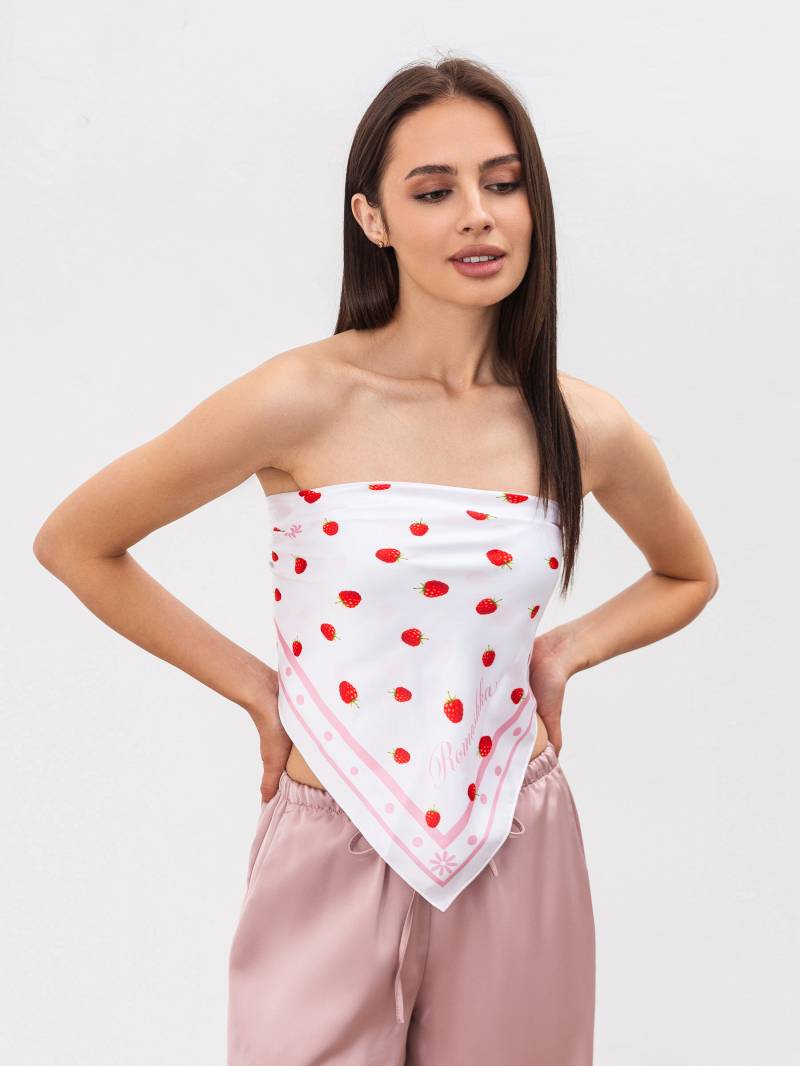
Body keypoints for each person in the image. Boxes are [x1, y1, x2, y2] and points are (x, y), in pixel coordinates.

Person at [33, 55, 719, 1066]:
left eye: (502, 182)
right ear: (372, 218)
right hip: (331, 839)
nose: (478, 216)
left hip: (514, 837)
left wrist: (564, 650)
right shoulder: (301, 398)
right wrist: (259, 691)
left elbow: (687, 573)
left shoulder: (581, 423)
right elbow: (76, 541)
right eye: (433, 191)